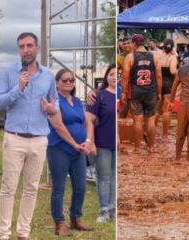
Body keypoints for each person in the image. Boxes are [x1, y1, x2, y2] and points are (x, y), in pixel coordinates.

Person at [0, 32, 59, 240]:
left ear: (37, 48)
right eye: (21, 46)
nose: (26, 50)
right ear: (18, 49)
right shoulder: (7, 72)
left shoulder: (48, 75)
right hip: (15, 138)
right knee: (8, 188)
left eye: (29, 45)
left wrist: (51, 108)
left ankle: (23, 232)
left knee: (31, 189)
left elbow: (55, 102)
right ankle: (3, 234)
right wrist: (18, 88)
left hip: (39, 139)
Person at [41, 69, 93, 237]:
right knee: (59, 187)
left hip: (79, 150)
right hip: (59, 149)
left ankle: (75, 218)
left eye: (71, 80)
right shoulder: (54, 102)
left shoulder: (77, 101)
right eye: (65, 80)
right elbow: (58, 126)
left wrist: (87, 142)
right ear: (57, 83)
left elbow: (86, 122)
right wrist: (74, 144)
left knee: (81, 186)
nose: (69, 82)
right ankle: (59, 223)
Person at [121, 34, 162, 153]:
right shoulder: (154, 56)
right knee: (150, 120)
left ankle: (138, 147)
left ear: (134, 44)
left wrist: (123, 92)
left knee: (137, 120)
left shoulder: (130, 57)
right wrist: (159, 92)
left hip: (136, 92)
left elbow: (125, 77)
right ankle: (151, 146)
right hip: (151, 91)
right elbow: (159, 76)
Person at [85, 64, 116, 222]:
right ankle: (103, 209)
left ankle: (112, 208)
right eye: (111, 74)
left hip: (118, 144)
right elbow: (88, 119)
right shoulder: (99, 96)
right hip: (102, 142)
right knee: (104, 176)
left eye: (118, 74)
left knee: (113, 177)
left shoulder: (124, 95)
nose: (115, 77)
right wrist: (91, 141)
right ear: (106, 77)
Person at [155, 39, 178, 139]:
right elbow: (173, 71)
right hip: (168, 84)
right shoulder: (172, 58)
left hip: (157, 83)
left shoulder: (157, 55)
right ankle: (165, 134)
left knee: (157, 110)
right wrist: (179, 77)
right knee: (167, 110)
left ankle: (151, 129)